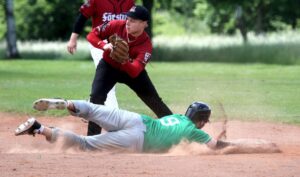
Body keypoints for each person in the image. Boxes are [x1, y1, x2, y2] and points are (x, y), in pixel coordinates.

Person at [15, 98, 231, 153]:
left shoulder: (176, 118)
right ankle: (39, 128)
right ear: (202, 121)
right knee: (85, 144)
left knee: (93, 109)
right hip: (136, 140)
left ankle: (67, 103)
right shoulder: (192, 130)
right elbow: (216, 146)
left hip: (137, 119)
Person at [85, 5, 172, 136]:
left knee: (154, 101)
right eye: (128, 18)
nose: (128, 22)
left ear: (144, 24)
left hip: (131, 72)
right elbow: (92, 35)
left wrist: (124, 60)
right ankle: (92, 138)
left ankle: (179, 130)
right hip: (109, 66)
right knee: (96, 98)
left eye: (133, 20)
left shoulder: (145, 45)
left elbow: (135, 71)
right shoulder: (116, 25)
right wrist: (104, 45)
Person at [67, 0, 135, 109]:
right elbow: (82, 18)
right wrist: (73, 39)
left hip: (120, 45)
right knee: (107, 78)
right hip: (99, 43)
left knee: (110, 80)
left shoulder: (129, 2)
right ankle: (114, 117)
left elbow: (134, 22)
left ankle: (90, 105)